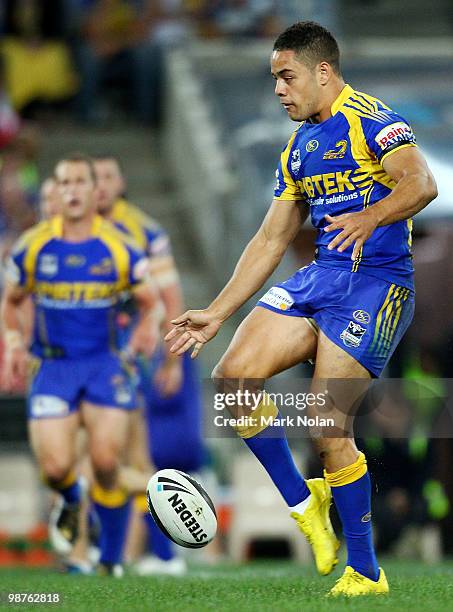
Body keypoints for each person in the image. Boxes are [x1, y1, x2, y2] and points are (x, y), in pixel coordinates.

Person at [165, 21, 437, 597]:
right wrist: (216, 313)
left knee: (325, 421)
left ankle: (365, 571)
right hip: (322, 278)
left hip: (377, 283)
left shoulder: (373, 120)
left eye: (286, 76)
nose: (279, 90)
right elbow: (269, 240)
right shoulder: (299, 147)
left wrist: (370, 216)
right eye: (273, 80)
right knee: (233, 380)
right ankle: (303, 504)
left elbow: (421, 183)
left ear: (322, 71)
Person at [0, 154, 158, 576]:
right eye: (63, 182)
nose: (71, 190)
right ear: (56, 189)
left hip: (103, 364)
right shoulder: (33, 246)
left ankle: (109, 559)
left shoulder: (118, 246)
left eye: (79, 182)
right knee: (54, 469)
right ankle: (72, 497)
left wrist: (146, 330)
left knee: (107, 461)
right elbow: (10, 302)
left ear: (94, 191)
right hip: (54, 367)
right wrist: (14, 341)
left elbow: (149, 300)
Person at [94, 154, 206, 574]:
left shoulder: (144, 231)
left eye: (107, 175)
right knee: (103, 453)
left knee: (135, 453)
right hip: (97, 352)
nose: (100, 185)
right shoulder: (81, 231)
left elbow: (169, 297)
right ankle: (111, 551)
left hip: (139, 349)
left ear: (120, 180)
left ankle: (158, 551)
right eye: (93, 178)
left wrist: (172, 358)